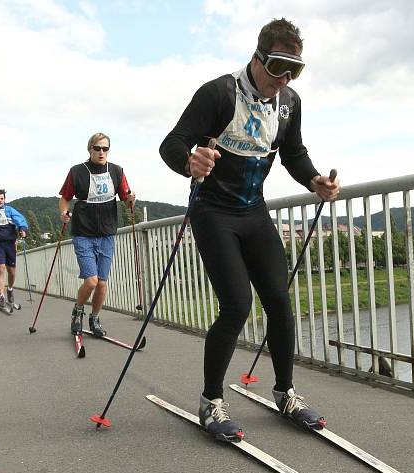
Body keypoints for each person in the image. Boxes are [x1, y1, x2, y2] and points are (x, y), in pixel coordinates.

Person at [159, 18, 340, 442]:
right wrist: (189, 162)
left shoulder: (289, 102)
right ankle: (211, 402)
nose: (285, 78)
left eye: (294, 69)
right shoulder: (219, 93)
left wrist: (314, 180)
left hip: (253, 212)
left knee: (278, 300)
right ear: (257, 58)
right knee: (237, 306)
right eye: (277, 66)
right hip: (214, 212)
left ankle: (285, 393)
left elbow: (294, 153)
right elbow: (171, 142)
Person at [59, 132, 136, 337]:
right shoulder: (77, 171)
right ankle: (78, 311)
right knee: (91, 281)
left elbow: (127, 201)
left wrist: (131, 199)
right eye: (97, 148)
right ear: (90, 149)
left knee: (102, 282)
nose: (101, 152)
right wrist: (63, 213)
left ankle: (95, 318)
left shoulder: (117, 171)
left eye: (105, 148)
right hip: (83, 232)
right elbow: (65, 198)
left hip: (107, 233)